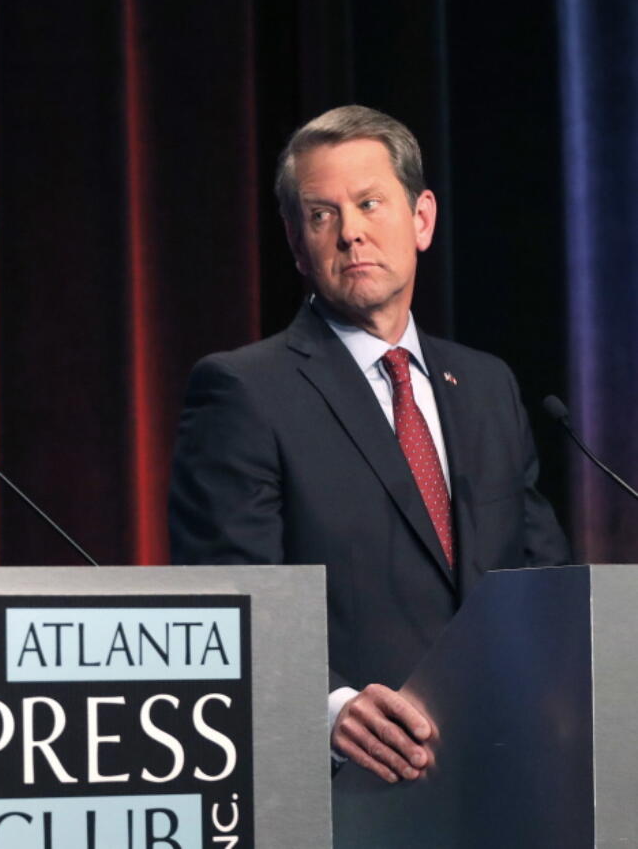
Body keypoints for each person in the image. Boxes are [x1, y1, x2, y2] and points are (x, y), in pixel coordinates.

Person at [168, 105, 569, 785]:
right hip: (350, 789)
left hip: (509, 778)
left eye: (368, 203)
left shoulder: (485, 384)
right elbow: (226, 603)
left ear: (421, 220)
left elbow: (543, 576)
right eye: (322, 215)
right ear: (297, 245)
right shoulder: (243, 391)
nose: (351, 232)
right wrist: (329, 710)